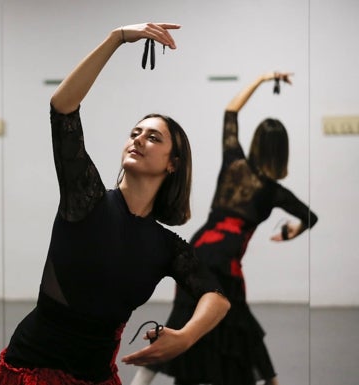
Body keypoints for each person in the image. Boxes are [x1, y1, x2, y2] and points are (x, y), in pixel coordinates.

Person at [0, 22, 231, 385]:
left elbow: (216, 297)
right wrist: (117, 37)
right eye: (134, 133)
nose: (138, 140)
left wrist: (184, 337)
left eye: (153, 137)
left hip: (99, 377)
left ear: (173, 164)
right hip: (35, 372)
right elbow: (62, 107)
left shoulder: (166, 246)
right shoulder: (85, 198)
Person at [130, 72, 319, 385]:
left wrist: (263, 79)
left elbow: (231, 111)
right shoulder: (274, 192)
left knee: (183, 321)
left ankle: (141, 380)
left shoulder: (234, 162)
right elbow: (310, 217)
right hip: (225, 263)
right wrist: (290, 233)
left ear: (256, 144)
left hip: (198, 247)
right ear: (282, 151)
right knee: (239, 326)